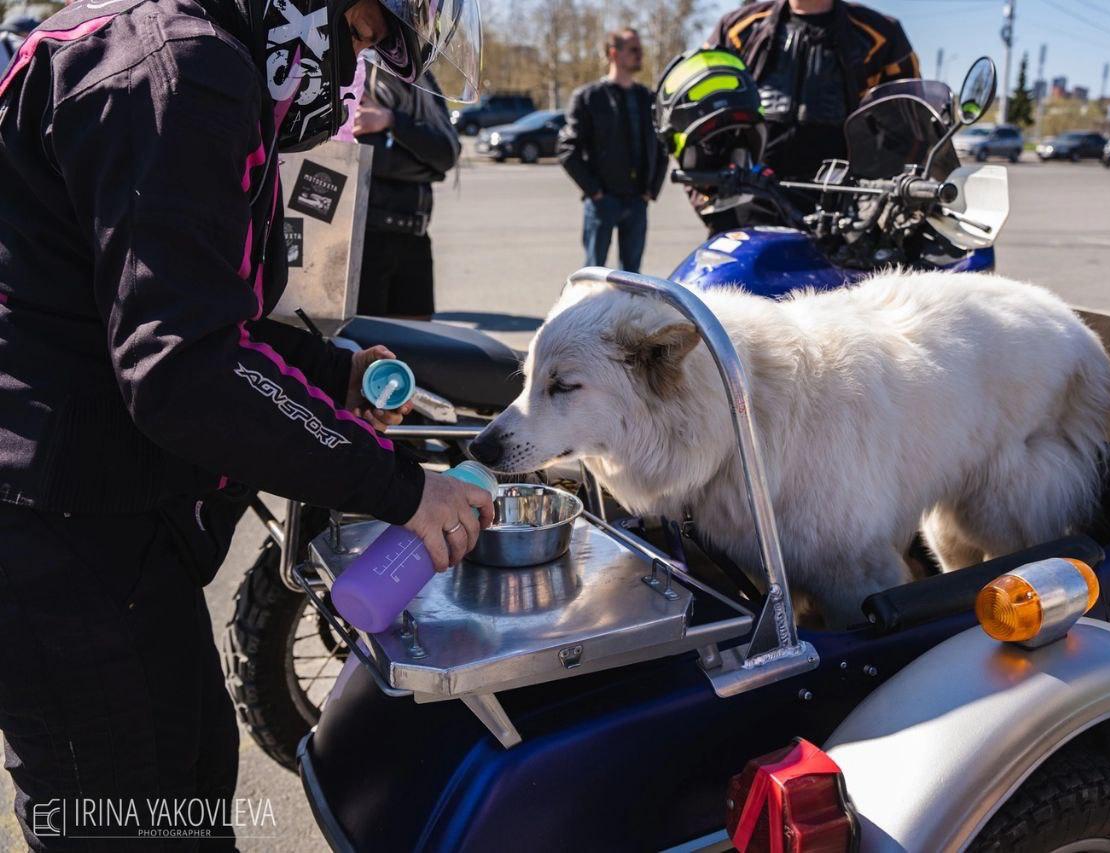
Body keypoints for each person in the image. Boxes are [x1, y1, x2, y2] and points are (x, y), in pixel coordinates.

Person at [0, 0, 488, 847]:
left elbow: (177, 306)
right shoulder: (184, 68)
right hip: (61, 532)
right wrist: (398, 485)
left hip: (92, 516)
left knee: (188, 785)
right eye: (363, 33)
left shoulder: (176, 44)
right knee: (126, 822)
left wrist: (338, 374)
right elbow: (182, 366)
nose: (353, 65)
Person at [705, 0, 919, 184]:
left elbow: (912, 123)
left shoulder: (882, 34)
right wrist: (709, 197)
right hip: (749, 196)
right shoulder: (736, 29)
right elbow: (696, 114)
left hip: (840, 205)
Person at [354, 62, 460, 318]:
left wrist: (390, 119)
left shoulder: (423, 80)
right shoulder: (359, 73)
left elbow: (446, 153)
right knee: (368, 344)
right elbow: (371, 157)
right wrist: (429, 167)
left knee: (417, 341)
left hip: (415, 235)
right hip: (368, 238)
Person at [558, 27, 666, 273]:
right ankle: (589, 313)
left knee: (632, 281)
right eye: (634, 49)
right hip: (602, 203)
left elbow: (662, 145)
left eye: (641, 49)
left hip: (638, 201)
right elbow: (566, 149)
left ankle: (626, 314)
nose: (640, 54)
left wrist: (651, 190)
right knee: (593, 276)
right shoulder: (589, 97)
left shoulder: (648, 98)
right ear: (614, 53)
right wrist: (594, 191)